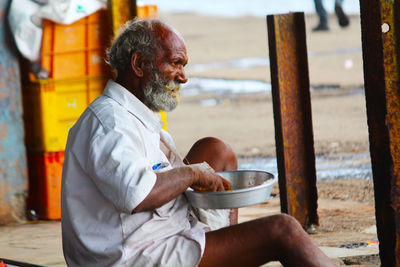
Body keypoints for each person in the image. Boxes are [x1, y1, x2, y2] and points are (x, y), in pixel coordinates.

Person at [61, 19, 336, 266]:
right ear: (139, 64)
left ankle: (227, 255)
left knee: (216, 151)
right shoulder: (109, 122)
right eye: (176, 63)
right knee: (282, 230)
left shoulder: (132, 112)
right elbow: (139, 194)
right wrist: (192, 174)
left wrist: (195, 174)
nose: (183, 76)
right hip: (135, 255)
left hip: (159, 233)